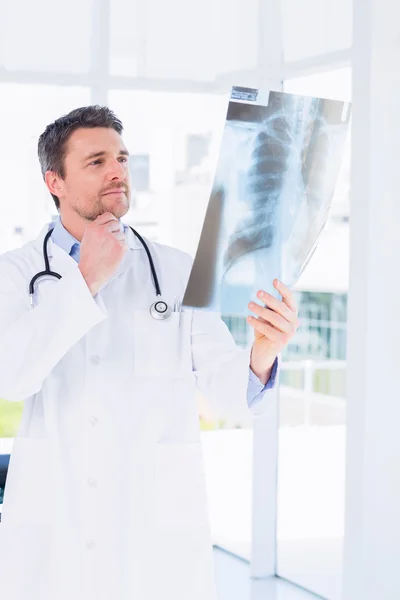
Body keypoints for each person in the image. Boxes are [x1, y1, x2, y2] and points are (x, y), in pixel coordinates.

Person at [0, 106, 299, 600]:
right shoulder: (16, 273)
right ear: (55, 181)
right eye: (96, 161)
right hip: (53, 527)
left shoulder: (175, 269)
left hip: (152, 533)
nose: (117, 171)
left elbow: (227, 392)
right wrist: (86, 280)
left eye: (122, 158)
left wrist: (262, 353)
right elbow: (11, 378)